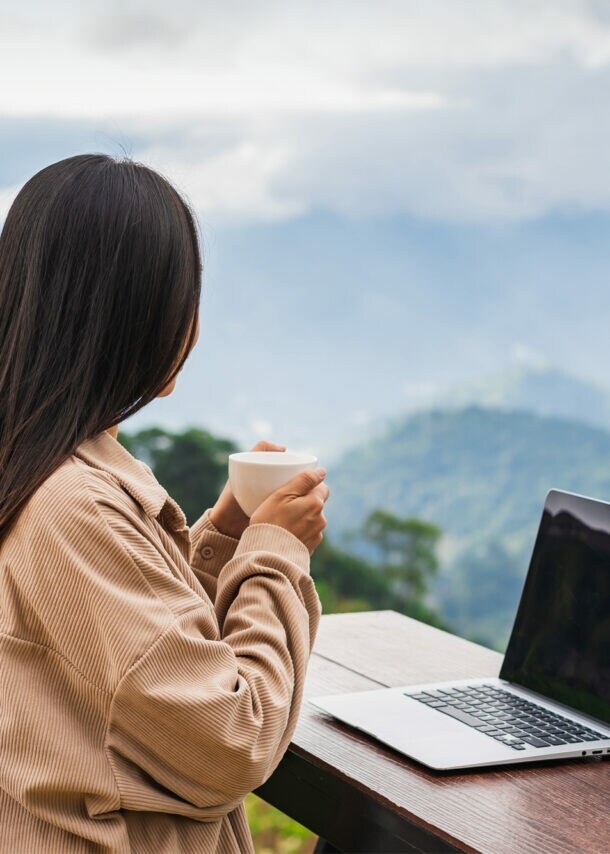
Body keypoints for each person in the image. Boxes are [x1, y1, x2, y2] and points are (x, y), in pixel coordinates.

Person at [0, 154, 328, 853]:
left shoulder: (31, 468)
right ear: (139, 317)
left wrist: (227, 537)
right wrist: (276, 556)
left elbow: (120, 658)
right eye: (185, 297)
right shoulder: (73, 506)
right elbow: (233, 739)